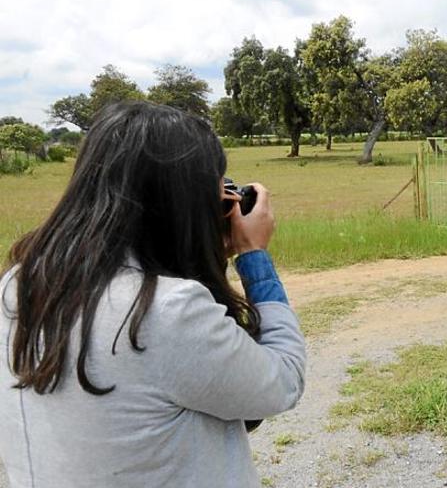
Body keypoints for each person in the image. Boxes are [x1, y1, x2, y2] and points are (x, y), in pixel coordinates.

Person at [0, 101, 306, 487]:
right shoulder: (168, 312)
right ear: (180, 204)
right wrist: (253, 255)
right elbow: (282, 383)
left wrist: (199, 256)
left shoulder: (16, 286)